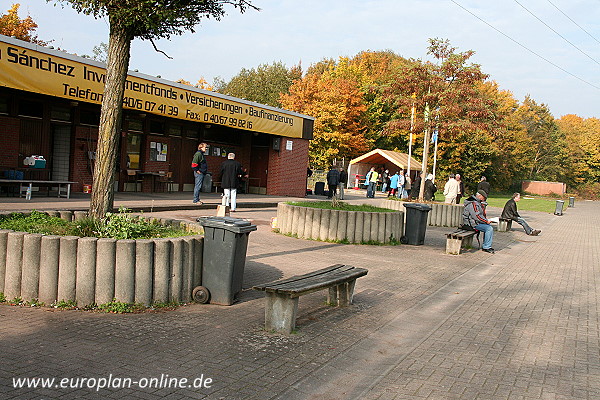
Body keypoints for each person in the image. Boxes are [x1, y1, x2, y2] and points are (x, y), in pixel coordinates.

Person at [463, 189, 495, 254]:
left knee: (488, 227)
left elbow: (480, 215)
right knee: (489, 228)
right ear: (480, 196)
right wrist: (486, 221)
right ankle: (486, 247)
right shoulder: (473, 204)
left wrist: (486, 220)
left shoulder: (477, 203)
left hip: (475, 222)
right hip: (471, 224)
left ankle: (486, 245)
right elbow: (477, 216)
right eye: (484, 198)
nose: (484, 199)